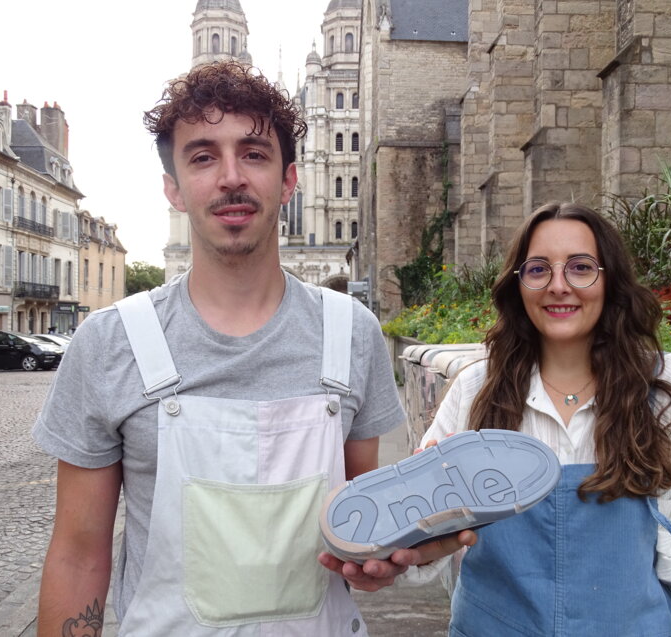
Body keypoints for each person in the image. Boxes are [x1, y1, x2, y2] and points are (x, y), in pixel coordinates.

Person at [32, 60, 449, 636]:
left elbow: (359, 530)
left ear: (289, 180)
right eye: (203, 156)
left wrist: (387, 558)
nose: (231, 176)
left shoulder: (350, 333)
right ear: (173, 188)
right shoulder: (111, 342)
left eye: (253, 153)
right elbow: (78, 556)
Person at [415, 202, 671, 636]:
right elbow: (417, 544)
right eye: (538, 270)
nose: (559, 286)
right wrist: (401, 543)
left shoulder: (670, 392)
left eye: (581, 267)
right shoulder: (477, 389)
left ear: (611, 279)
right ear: (518, 286)